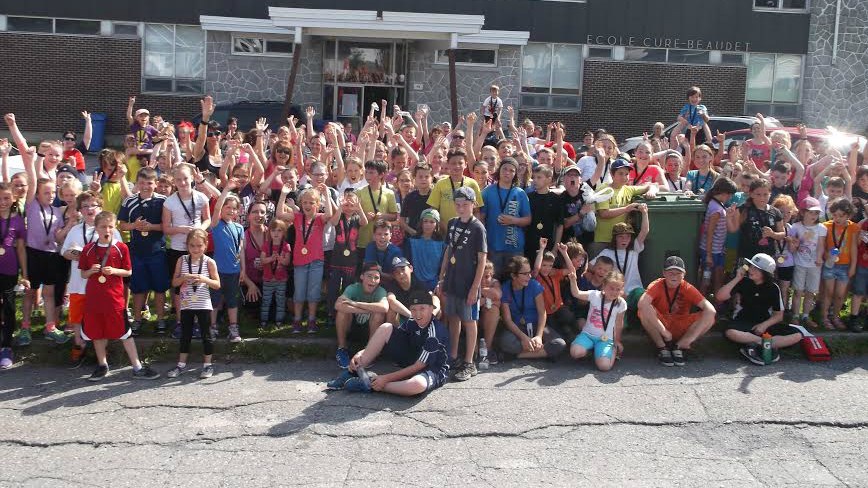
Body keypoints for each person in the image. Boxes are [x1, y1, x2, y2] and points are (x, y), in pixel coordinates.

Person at [78, 211, 159, 381]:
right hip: (94, 299)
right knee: (97, 333)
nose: (107, 230)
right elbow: (83, 274)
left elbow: (128, 271)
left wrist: (114, 271)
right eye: (103, 227)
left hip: (114, 299)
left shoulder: (121, 248)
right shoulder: (88, 249)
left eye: (110, 226)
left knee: (124, 332)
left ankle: (137, 367)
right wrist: (90, 271)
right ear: (96, 228)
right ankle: (102, 365)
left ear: (114, 227)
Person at [327, 291, 450, 396]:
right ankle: (352, 371)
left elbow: (418, 366)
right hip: (412, 359)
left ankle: (370, 384)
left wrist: (385, 379)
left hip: (431, 368)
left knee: (417, 385)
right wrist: (361, 353)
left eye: (422, 309)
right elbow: (388, 339)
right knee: (386, 327)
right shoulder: (412, 321)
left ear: (431, 309)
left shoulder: (434, 333)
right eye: (413, 309)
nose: (417, 314)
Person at [436, 187, 487, 382]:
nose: (461, 208)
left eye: (465, 204)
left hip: (468, 282)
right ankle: (454, 355)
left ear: (473, 204)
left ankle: (469, 362)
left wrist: (475, 288)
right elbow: (448, 251)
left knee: (469, 320)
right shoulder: (452, 223)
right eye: (458, 204)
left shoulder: (478, 228)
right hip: (452, 279)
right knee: (453, 317)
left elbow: (482, 260)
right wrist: (442, 277)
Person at [717, 253, 803, 365]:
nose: (751, 270)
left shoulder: (773, 288)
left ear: (765, 273)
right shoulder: (743, 282)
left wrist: (764, 325)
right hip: (743, 321)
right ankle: (766, 345)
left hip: (764, 323)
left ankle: (755, 346)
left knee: (797, 335)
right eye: (751, 266)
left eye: (756, 269)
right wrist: (737, 278)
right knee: (730, 332)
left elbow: (778, 316)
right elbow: (720, 297)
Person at [638, 256, 717, 367]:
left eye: (678, 273)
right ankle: (662, 347)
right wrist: (664, 331)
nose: (674, 276)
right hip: (662, 325)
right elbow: (642, 304)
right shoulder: (657, 285)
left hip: (681, 325)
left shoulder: (687, 287)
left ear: (684, 274)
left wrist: (690, 339)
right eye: (670, 273)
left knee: (710, 316)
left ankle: (680, 346)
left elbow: (711, 310)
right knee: (643, 310)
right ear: (664, 273)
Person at [117, 167, 169, 335]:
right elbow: (122, 225)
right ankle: (137, 319)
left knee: (160, 288)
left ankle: (160, 319)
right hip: (137, 251)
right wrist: (134, 225)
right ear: (137, 183)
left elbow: (167, 226)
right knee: (138, 288)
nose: (145, 186)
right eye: (142, 183)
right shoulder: (129, 201)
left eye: (149, 183)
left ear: (156, 184)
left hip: (157, 251)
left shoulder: (163, 201)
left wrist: (151, 227)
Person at [167, 229, 221, 379]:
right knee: (185, 335)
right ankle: (181, 365)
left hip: (203, 304)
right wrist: (184, 278)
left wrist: (204, 279)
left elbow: (217, 284)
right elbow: (174, 282)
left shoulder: (209, 262)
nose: (195, 249)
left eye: (199, 245)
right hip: (186, 304)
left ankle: (207, 365)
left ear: (205, 245)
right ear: (187, 245)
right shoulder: (182, 260)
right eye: (192, 246)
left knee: (206, 335)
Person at [499, 255, 567, 361]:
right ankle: (541, 352)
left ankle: (516, 356)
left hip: (536, 326)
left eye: (529, 272)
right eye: (525, 274)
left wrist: (539, 336)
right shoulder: (505, 288)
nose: (529, 276)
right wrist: (524, 338)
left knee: (559, 343)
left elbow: (542, 313)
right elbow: (507, 320)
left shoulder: (534, 285)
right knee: (505, 341)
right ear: (513, 275)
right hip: (518, 328)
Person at [591, 159, 655, 257]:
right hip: (603, 241)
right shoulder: (604, 189)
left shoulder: (629, 189)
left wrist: (652, 191)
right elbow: (603, 214)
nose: (624, 177)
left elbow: (651, 185)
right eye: (620, 173)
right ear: (612, 174)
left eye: (626, 174)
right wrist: (626, 209)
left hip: (621, 242)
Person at [568, 269, 627, 372]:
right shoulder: (595, 295)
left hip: (606, 339)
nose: (614, 292)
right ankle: (590, 350)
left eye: (618, 289)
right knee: (575, 353)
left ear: (622, 289)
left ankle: (612, 350)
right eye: (611, 288)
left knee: (604, 367)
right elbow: (576, 293)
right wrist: (573, 280)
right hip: (588, 335)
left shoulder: (621, 303)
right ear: (604, 286)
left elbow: (619, 324)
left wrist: (617, 341)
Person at [333, 262, 389, 369]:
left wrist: (355, 303)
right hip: (352, 327)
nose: (373, 280)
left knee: (379, 314)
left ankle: (371, 352)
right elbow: (338, 305)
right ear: (362, 276)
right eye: (369, 276)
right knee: (342, 311)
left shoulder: (380, 291)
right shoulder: (353, 288)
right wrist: (366, 310)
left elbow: (384, 307)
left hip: (370, 330)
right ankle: (342, 349)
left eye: (376, 278)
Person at [481, 157, 531, 274]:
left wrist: (514, 220)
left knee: (515, 280)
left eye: (511, 170)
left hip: (515, 248)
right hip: (493, 246)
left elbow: (528, 219)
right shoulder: (487, 192)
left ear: (515, 174)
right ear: (499, 170)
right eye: (504, 169)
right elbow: (481, 218)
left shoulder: (520, 193)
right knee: (494, 279)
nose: (507, 172)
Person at [208, 184, 246, 342]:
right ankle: (212, 327)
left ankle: (233, 328)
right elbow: (217, 208)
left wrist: (243, 269)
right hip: (217, 271)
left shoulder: (239, 228)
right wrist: (225, 190)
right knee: (214, 301)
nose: (231, 210)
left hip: (234, 271)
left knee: (232, 301)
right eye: (227, 207)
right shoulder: (216, 224)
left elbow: (241, 250)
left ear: (238, 211)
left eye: (234, 208)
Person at [326, 190, 368, 327]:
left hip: (351, 259)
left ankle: (345, 312)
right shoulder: (340, 216)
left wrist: (359, 208)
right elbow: (333, 222)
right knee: (333, 287)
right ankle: (331, 313)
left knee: (348, 286)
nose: (349, 207)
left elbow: (365, 222)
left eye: (352, 205)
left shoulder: (356, 217)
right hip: (337, 258)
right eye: (346, 205)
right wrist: (340, 207)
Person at [819, 198, 859, 330]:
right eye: (835, 215)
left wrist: (853, 266)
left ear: (848, 215)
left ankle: (835, 317)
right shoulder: (826, 226)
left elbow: (853, 248)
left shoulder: (853, 227)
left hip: (845, 266)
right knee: (828, 292)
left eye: (841, 216)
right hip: (830, 264)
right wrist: (826, 254)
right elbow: (822, 245)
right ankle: (824, 317)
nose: (837, 218)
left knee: (840, 294)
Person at [0, 182, 28, 369]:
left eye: (6, 198)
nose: (2, 202)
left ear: (14, 198)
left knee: (9, 307)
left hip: (9, 270)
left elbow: (21, 249)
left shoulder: (17, 220)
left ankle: (6, 347)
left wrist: (24, 273)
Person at [789, 197, 826, 329]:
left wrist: (819, 257)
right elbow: (792, 247)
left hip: (814, 264)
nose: (814, 215)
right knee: (798, 291)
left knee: (811, 292)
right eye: (811, 212)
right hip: (799, 263)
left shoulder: (821, 228)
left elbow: (821, 245)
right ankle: (795, 315)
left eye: (816, 213)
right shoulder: (796, 226)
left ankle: (805, 316)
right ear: (803, 212)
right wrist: (795, 244)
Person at [427, 148, 483, 234]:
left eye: (460, 163)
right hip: (444, 233)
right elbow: (434, 210)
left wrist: (472, 229)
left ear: (466, 164)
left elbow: (477, 211)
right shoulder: (440, 184)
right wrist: (445, 228)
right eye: (453, 163)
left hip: (466, 234)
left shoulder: (472, 184)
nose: (457, 166)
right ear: (448, 164)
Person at [700, 177, 738, 295]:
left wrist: (729, 215)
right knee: (706, 280)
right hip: (711, 251)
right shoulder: (716, 210)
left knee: (718, 278)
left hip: (718, 250)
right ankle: (700, 302)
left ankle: (717, 301)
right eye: (729, 194)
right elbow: (709, 233)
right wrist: (709, 255)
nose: (730, 197)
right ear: (723, 192)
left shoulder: (717, 205)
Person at [356, 160, 398, 250]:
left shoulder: (389, 193)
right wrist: (364, 217)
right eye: (366, 172)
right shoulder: (359, 192)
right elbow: (352, 215)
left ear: (381, 175)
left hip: (382, 242)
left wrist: (383, 216)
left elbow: (394, 216)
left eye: (371, 172)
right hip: (363, 241)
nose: (367, 175)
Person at [384, 257, 440, 325]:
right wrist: (411, 316)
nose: (401, 274)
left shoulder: (418, 283)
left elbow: (434, 298)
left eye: (403, 269)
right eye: (396, 272)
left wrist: (432, 313)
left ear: (411, 268)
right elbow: (391, 300)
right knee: (390, 312)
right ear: (394, 275)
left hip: (419, 315)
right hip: (404, 315)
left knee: (438, 311)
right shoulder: (393, 285)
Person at [259, 219, 291, 329]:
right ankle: (263, 321)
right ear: (269, 232)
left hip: (281, 280)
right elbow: (262, 260)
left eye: (279, 230)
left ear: (284, 233)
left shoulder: (286, 246)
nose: (276, 233)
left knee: (280, 301)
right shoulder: (266, 245)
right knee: (266, 301)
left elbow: (287, 262)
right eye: (273, 230)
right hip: (267, 279)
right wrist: (271, 259)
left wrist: (281, 259)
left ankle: (279, 321)